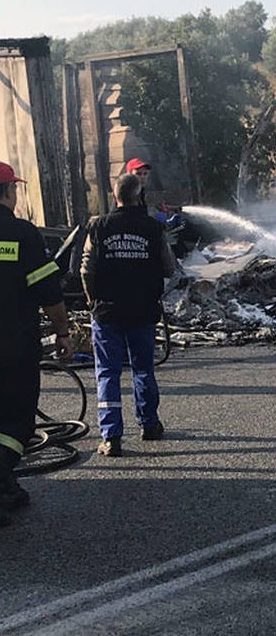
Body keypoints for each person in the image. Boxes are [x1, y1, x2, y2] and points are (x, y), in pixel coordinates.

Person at [81, 173, 176, 456]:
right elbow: (169, 268)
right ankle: (149, 424)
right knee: (143, 368)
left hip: (107, 312)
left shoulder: (98, 227)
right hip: (142, 311)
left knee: (107, 373)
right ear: (139, 196)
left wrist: (92, 301)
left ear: (115, 196)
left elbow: (86, 269)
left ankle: (111, 437)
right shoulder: (153, 229)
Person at [0, 161, 73, 526]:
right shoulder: (21, 234)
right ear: (8, 192)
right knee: (15, 421)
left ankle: (6, 485)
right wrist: (63, 330)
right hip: (13, 347)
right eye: (15, 188)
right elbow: (47, 290)